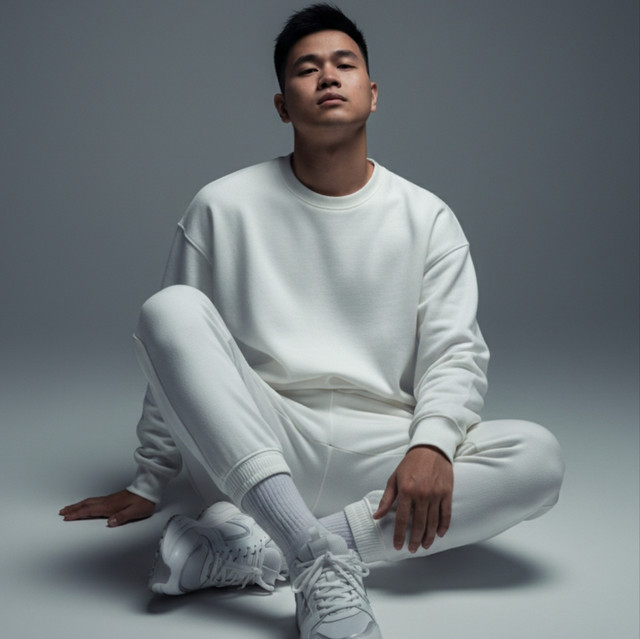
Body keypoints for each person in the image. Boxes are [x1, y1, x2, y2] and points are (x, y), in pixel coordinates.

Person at [59, 4, 564, 638]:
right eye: (307, 69)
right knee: (168, 308)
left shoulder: (428, 218)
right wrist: (150, 479)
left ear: (372, 93)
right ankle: (313, 558)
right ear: (282, 105)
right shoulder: (222, 206)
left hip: (382, 456)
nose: (327, 76)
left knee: (539, 457)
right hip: (258, 444)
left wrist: (431, 443)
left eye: (343, 64)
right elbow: (175, 354)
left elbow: (454, 353)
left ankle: (268, 548)